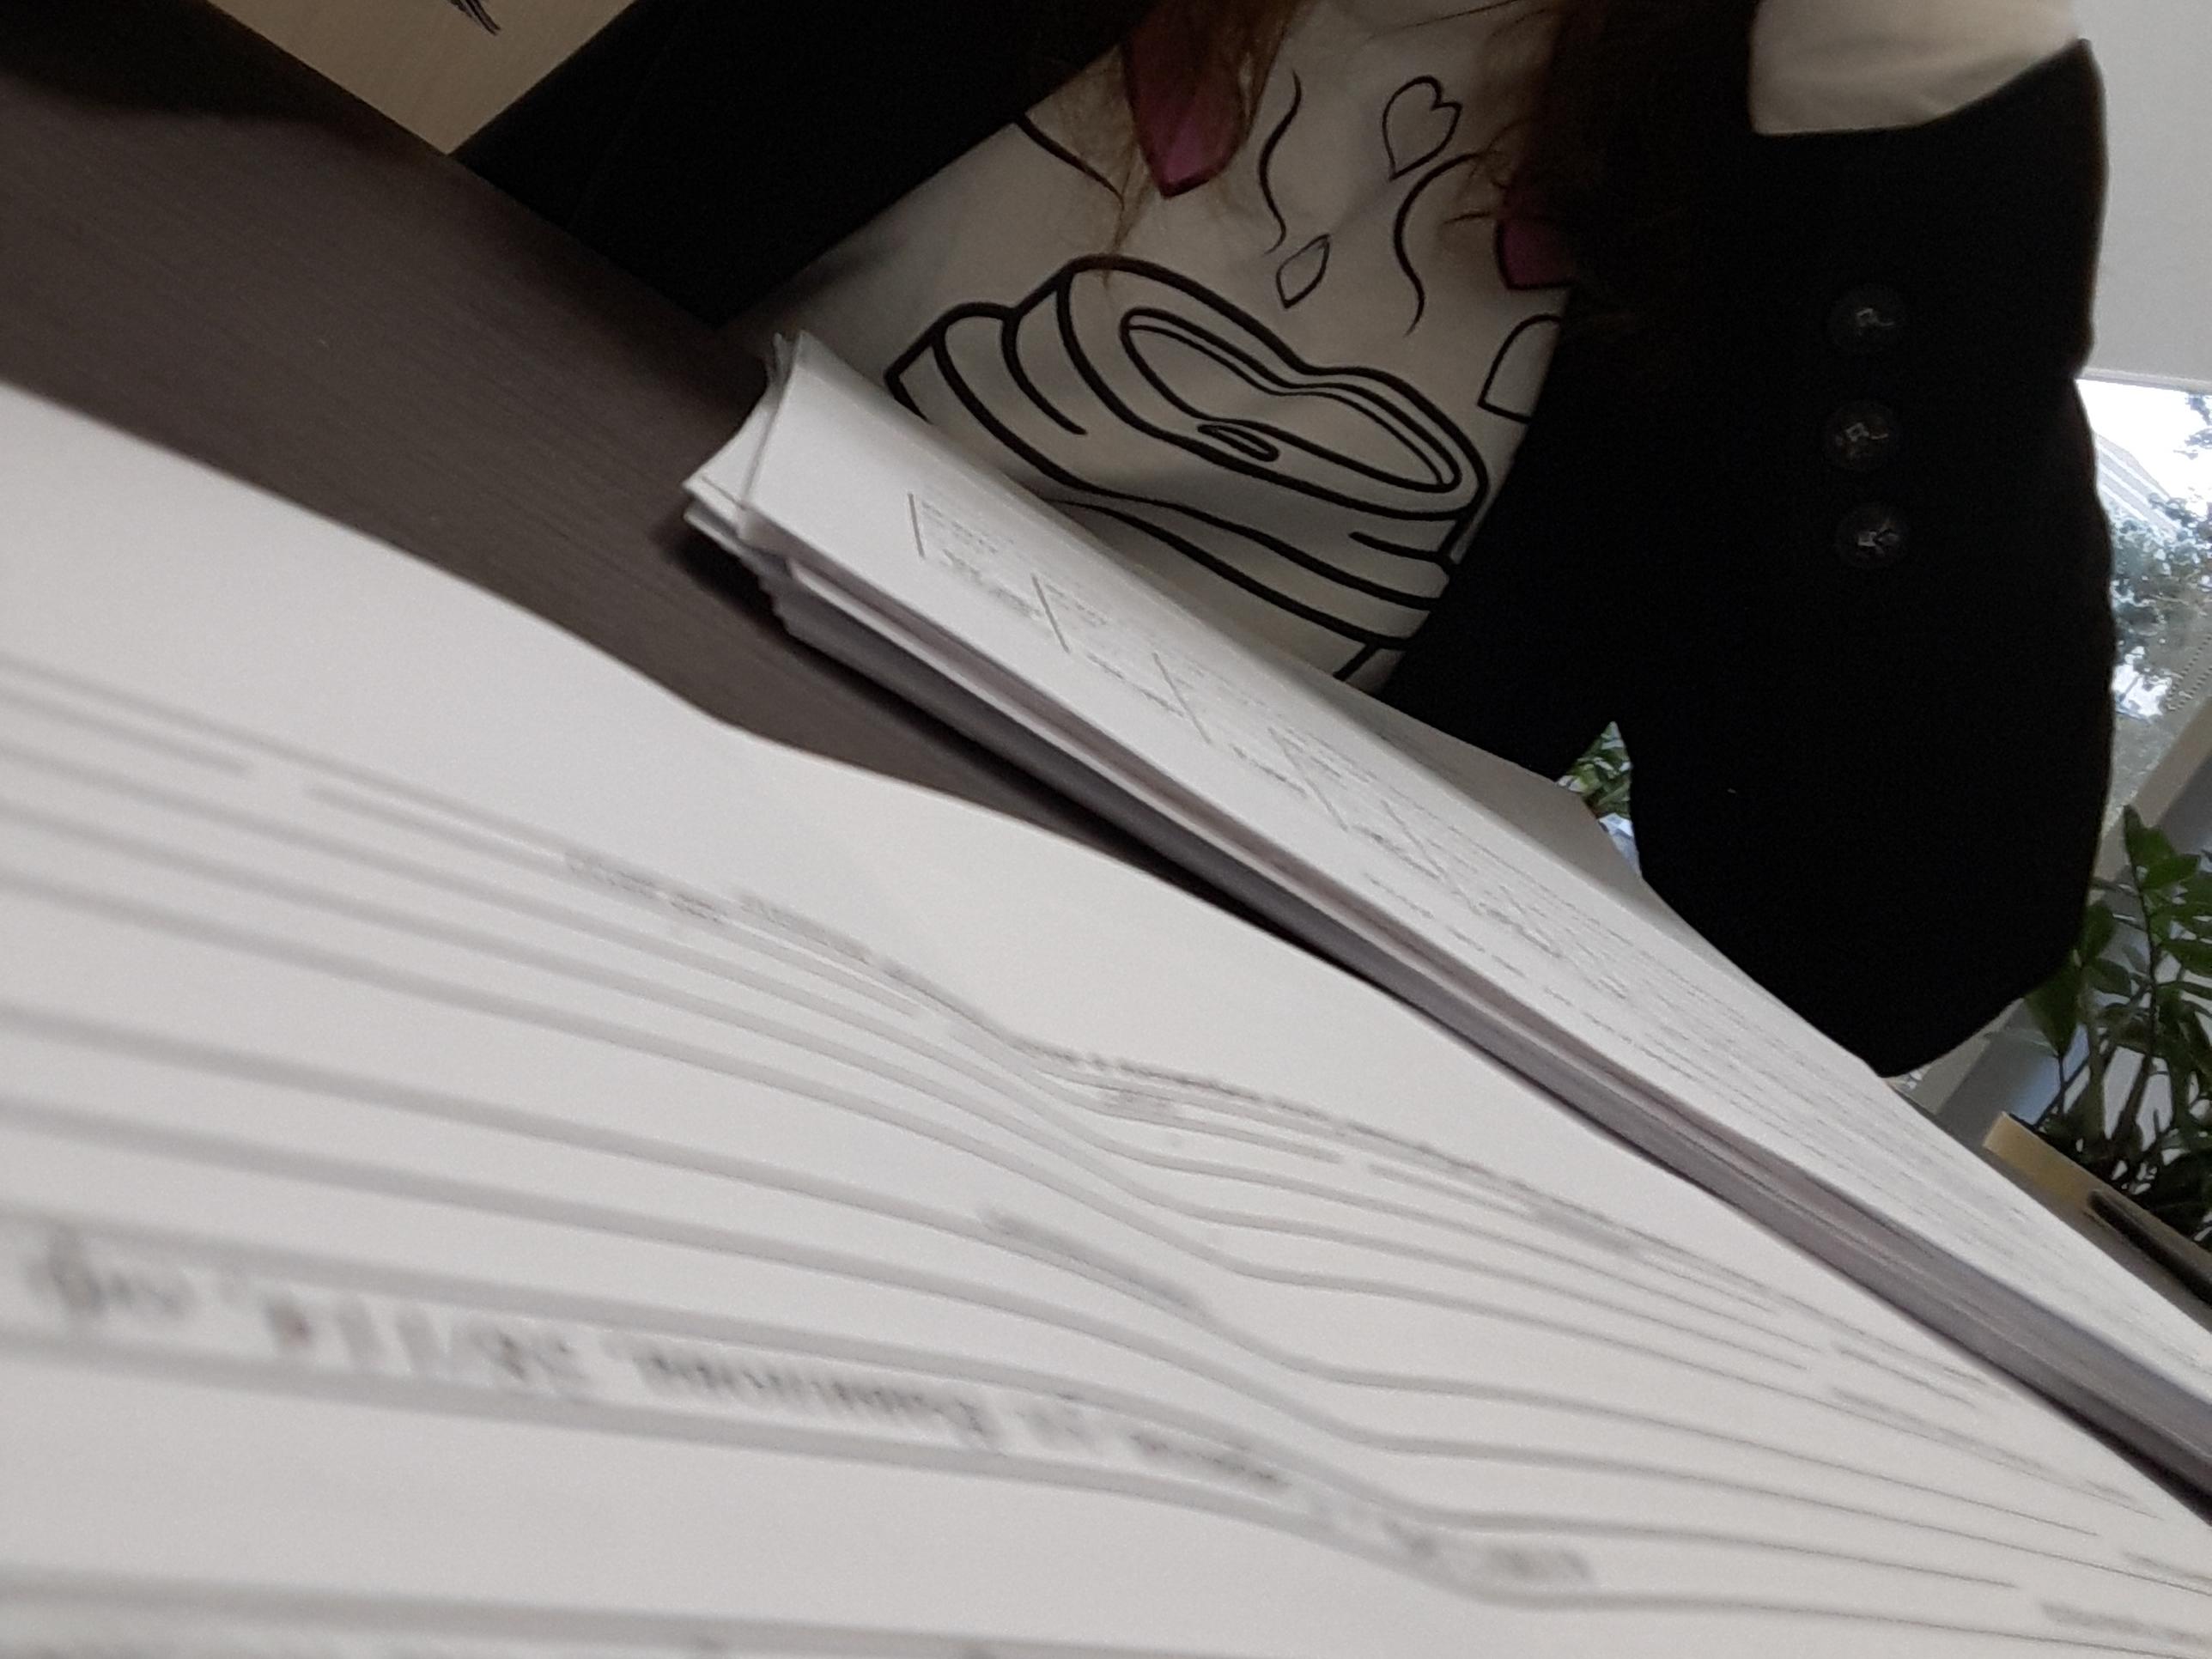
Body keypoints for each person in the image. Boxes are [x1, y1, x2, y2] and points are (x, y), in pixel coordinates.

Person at [465, 0, 2116, 1077]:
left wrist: (1929, 133)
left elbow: (1870, 955)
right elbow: (506, 268)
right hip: (559, 731)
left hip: (1124, 1041)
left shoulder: (1805, 154)